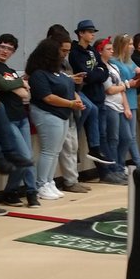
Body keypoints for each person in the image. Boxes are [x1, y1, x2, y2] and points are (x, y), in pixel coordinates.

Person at [0, 33, 40, 207]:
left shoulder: (12, 71)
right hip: (5, 118)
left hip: (21, 116)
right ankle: (31, 192)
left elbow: (25, 93)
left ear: (13, 52)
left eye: (9, 49)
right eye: (2, 46)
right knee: (24, 156)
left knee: (24, 158)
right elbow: (3, 85)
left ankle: (11, 190)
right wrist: (19, 84)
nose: (4, 51)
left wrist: (15, 86)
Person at [26, 38, 85, 200]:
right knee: (48, 151)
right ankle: (40, 184)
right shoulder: (38, 74)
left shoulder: (58, 71)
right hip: (48, 114)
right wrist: (71, 103)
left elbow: (69, 86)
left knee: (56, 151)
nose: (63, 56)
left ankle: (48, 181)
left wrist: (75, 99)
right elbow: (48, 97)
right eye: (60, 52)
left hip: (63, 114)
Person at [49, 26, 91, 194]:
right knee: (61, 148)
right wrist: (70, 81)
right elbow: (54, 83)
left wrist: (75, 87)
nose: (66, 53)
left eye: (68, 50)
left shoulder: (64, 62)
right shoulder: (48, 63)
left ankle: (73, 179)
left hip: (71, 106)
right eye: (63, 50)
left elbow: (67, 82)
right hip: (58, 108)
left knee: (72, 146)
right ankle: (65, 181)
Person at [68, 19, 109, 165]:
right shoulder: (74, 53)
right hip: (86, 93)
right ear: (81, 33)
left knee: (103, 133)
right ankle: (80, 154)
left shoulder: (92, 51)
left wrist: (95, 74)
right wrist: (96, 73)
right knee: (79, 128)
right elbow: (84, 75)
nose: (92, 35)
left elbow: (104, 71)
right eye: (89, 32)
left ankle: (98, 153)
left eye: (93, 32)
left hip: (99, 94)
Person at [95, 38, 129, 183]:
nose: (112, 51)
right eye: (108, 49)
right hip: (110, 106)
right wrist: (127, 85)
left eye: (112, 49)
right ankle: (114, 169)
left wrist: (126, 106)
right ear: (100, 51)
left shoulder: (113, 67)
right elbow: (109, 89)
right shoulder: (101, 68)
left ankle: (120, 166)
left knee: (126, 137)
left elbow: (121, 88)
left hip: (120, 105)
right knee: (113, 139)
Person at [112, 34, 140, 170]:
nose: (132, 47)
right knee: (126, 137)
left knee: (131, 136)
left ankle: (131, 163)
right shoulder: (115, 62)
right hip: (122, 100)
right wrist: (129, 84)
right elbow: (119, 82)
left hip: (132, 99)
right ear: (122, 46)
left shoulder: (130, 61)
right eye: (129, 44)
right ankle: (128, 164)